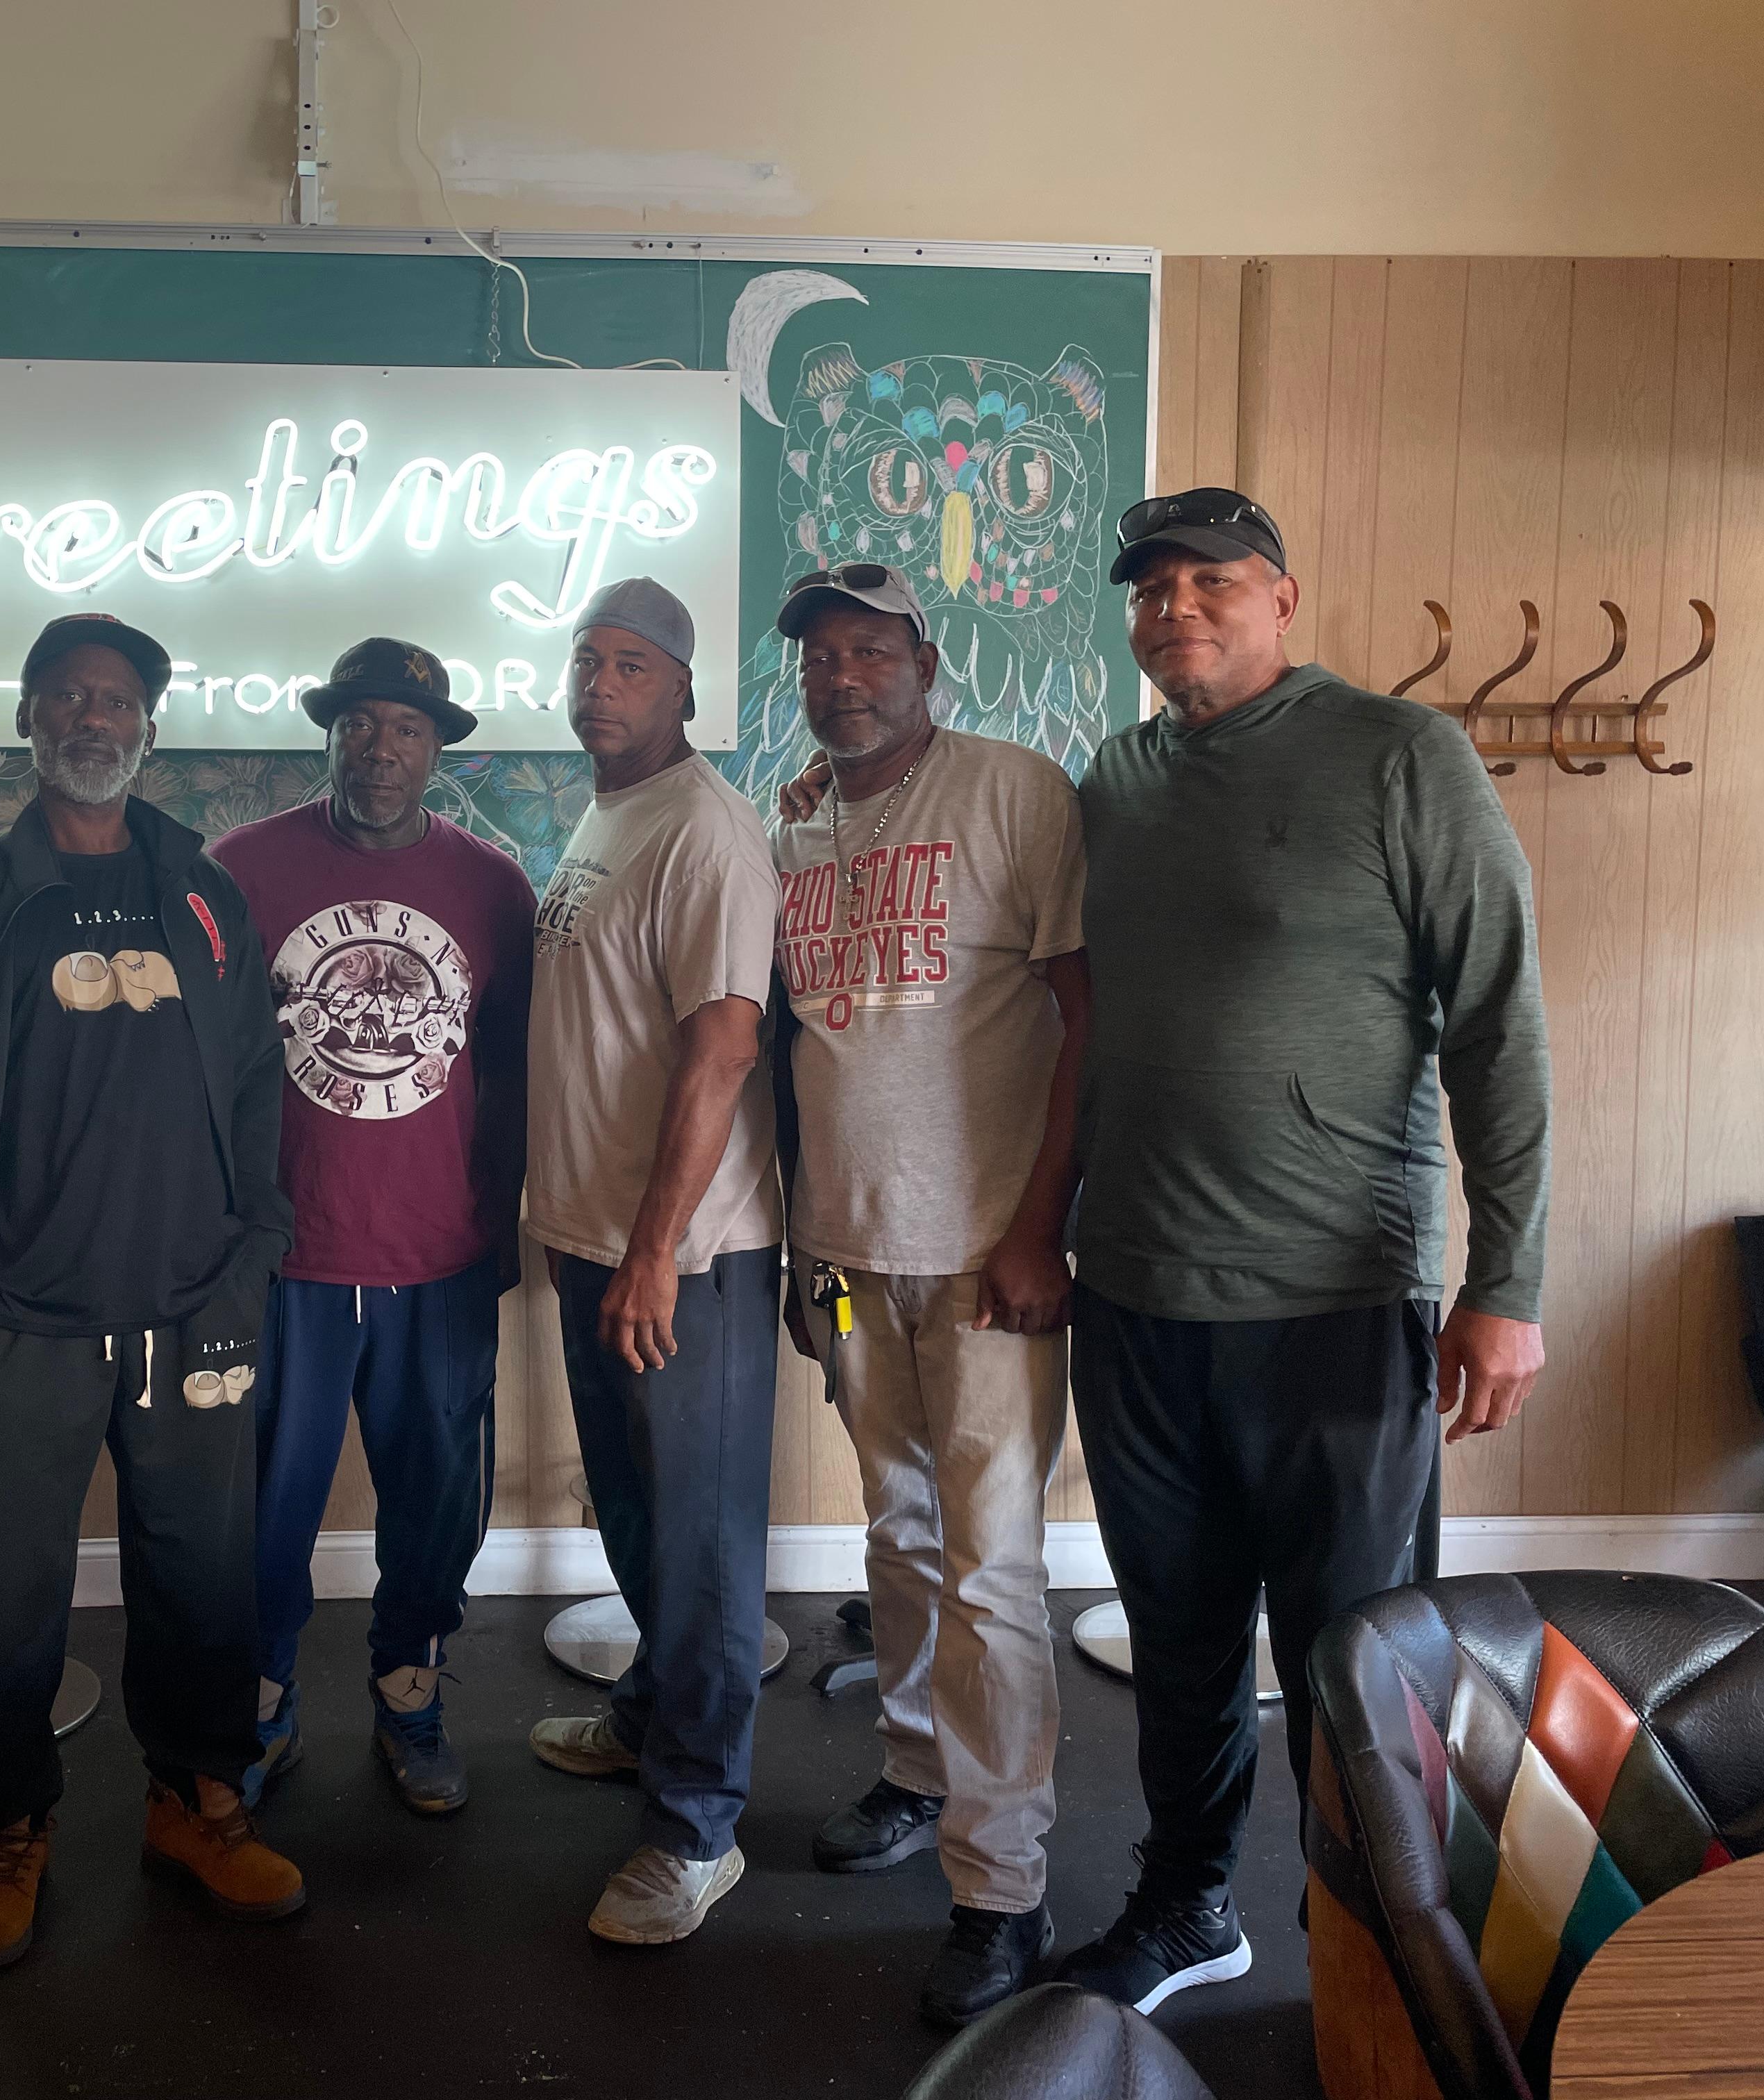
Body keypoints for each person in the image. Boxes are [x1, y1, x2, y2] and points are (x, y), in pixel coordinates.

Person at [1056, 488, 1549, 2012]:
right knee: (1182, 1638)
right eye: (1151, 586)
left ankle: (1387, 1944)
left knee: (1358, 1665)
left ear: (1282, 596)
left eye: (1212, 579)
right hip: (1133, 1293)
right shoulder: (1117, 777)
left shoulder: (1403, 758)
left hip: (1335, 1305)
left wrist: (1506, 1286)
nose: (1177, 607)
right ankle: (1191, 1903)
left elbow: (1497, 1023)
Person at [0, 611, 306, 1971]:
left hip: (194, 1314)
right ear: (28, 718)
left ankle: (198, 1801)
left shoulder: (206, 898)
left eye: (117, 701)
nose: (92, 720)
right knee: (10, 1592)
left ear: (150, 729)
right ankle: (6, 1826)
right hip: (21, 1327)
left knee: (203, 1578)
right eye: (67, 697)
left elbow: (251, 1088)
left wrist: (248, 1257)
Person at [765, 563, 1090, 2031]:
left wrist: (1041, 1230)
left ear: (925, 659)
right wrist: (800, 1243)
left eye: (869, 649)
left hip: (983, 1261)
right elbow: (799, 1054)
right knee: (892, 1534)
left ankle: (1001, 1886)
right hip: (846, 1261)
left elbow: (1093, 1021)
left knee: (992, 1567)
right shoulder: (795, 818)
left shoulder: (1013, 793)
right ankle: (913, 1773)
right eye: (822, 655)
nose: (842, 675)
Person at [208, 637, 535, 1817]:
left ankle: (412, 1695)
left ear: (438, 746)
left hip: (435, 1263)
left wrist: (492, 1226)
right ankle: (261, 1702)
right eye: (358, 723)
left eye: (405, 727)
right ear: (330, 734)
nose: (379, 747)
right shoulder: (238, 870)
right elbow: (199, 1072)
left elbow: (515, 1076)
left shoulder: (496, 888)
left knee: (436, 1508)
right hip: (284, 1263)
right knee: (259, 1518)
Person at [523, 576, 785, 1946]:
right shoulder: (613, 814)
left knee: (701, 1540)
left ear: (685, 692)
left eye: (630, 666)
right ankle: (650, 1720)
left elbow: (724, 1048)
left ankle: (698, 1825)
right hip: (596, 1243)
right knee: (635, 1513)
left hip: (685, 1263)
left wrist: (654, 1253)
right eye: (586, 661)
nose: (599, 686)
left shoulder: (709, 832)